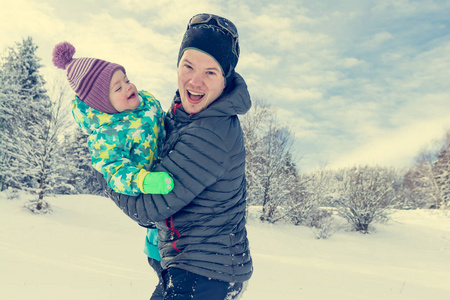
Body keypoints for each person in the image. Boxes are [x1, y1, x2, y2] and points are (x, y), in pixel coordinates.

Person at [97, 13, 253, 299]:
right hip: (195, 268)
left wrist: (109, 174)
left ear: (225, 79)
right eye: (188, 66)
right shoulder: (185, 116)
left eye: (210, 72)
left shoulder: (210, 133)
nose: (195, 81)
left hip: (206, 274)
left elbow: (149, 208)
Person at [52, 42, 172, 299]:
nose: (129, 86)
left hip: (169, 168)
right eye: (118, 88)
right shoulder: (105, 136)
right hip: (148, 188)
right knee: (162, 246)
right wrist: (144, 181)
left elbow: (165, 121)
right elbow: (115, 172)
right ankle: (159, 260)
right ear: (102, 104)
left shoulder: (147, 101)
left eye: (126, 79)